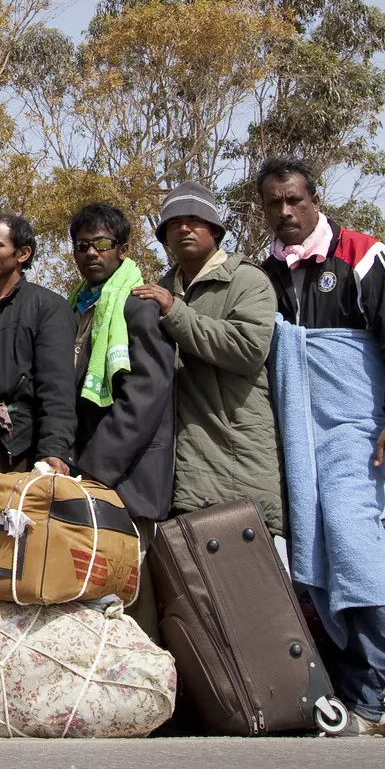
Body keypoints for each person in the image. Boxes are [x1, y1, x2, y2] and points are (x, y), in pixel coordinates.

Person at [254, 156, 385, 737]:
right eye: (273, 204)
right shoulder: (266, 274)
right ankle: (366, 695)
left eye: (295, 201)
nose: (285, 212)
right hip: (297, 435)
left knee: (354, 536)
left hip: (353, 426)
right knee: (316, 554)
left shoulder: (364, 254)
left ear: (315, 200)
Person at [136, 184, 282, 534]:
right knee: (190, 587)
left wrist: (175, 313)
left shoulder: (247, 280)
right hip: (178, 475)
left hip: (235, 465)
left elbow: (247, 349)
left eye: (194, 220)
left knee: (241, 583)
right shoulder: (161, 287)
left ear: (214, 230)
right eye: (174, 223)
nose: (184, 228)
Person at [61, 200, 176, 630]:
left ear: (122, 249)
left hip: (129, 476)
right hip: (89, 474)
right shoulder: (73, 310)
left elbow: (145, 397)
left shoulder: (138, 307)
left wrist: (97, 468)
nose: (91, 253)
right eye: (81, 245)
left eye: (102, 243)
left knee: (132, 600)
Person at [0, 212, 73, 590]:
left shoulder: (47, 307)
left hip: (18, 448)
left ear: (22, 253)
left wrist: (54, 450)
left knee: (10, 550)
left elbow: (57, 388)